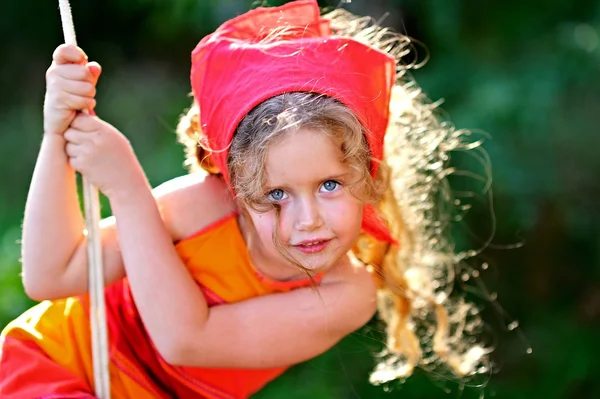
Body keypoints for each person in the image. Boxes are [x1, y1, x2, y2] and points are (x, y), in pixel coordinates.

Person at [0, 0, 489, 397]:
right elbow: (51, 275)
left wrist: (129, 192)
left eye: (330, 185)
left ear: (369, 176)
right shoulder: (202, 208)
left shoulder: (344, 296)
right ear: (236, 190)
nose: (308, 220)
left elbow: (186, 340)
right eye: (275, 194)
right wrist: (56, 134)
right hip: (51, 369)